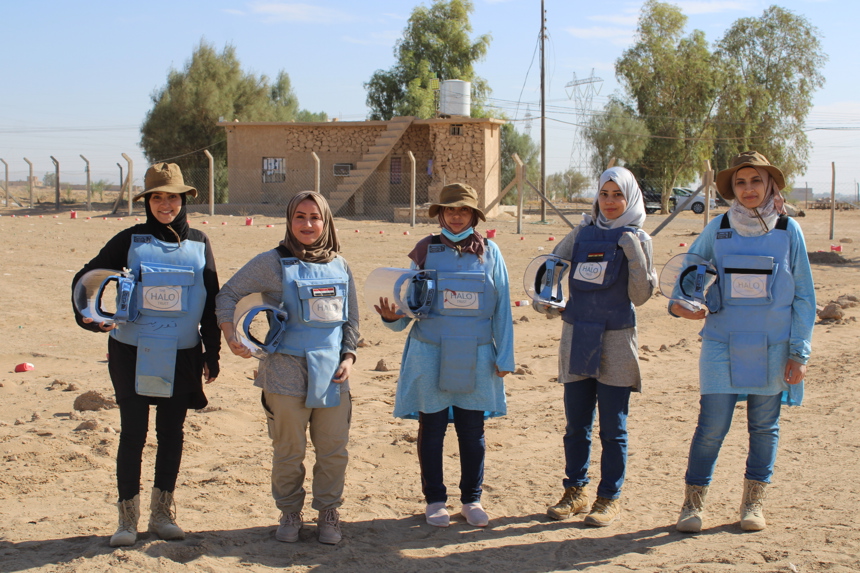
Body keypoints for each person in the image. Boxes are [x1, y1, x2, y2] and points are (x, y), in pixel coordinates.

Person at [71, 162, 221, 547]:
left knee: (171, 433)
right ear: (147, 201)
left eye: (173, 197)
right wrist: (92, 319)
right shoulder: (130, 239)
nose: (165, 204)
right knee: (133, 434)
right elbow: (86, 279)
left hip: (182, 354)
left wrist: (212, 353)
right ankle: (127, 519)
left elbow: (210, 304)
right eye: (158, 197)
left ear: (184, 200)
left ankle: (162, 514)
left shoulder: (201, 244)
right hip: (131, 352)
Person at [670, 151, 815, 533]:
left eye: (755, 181)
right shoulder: (718, 228)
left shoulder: (788, 231)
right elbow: (689, 272)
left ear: (770, 185)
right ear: (731, 188)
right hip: (721, 343)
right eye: (740, 182)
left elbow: (804, 297)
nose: (748, 189)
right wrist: (683, 304)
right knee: (711, 427)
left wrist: (799, 352)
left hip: (773, 345)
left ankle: (753, 505)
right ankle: (692, 506)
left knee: (764, 428)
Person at [215, 191, 357, 545]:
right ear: (289, 221)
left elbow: (351, 320)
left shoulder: (340, 265)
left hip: (331, 374)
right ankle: (290, 512)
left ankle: (328, 512)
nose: (308, 225)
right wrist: (233, 334)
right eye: (300, 217)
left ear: (326, 222)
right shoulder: (272, 262)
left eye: (315, 217)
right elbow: (227, 294)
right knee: (288, 450)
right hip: (284, 373)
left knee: (333, 450)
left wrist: (349, 356)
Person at [374, 182, 515, 528]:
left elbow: (502, 309)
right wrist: (391, 319)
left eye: (463, 210)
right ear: (440, 213)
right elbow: (408, 300)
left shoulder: (491, 252)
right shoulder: (424, 249)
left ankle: (472, 499)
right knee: (432, 426)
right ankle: (435, 499)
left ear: (474, 216)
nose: (455, 216)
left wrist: (505, 357)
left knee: (472, 429)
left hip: (478, 353)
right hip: (429, 352)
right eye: (449, 210)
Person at [535, 166, 656, 527]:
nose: (610, 202)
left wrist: (633, 252)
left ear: (630, 197)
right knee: (576, 425)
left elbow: (641, 294)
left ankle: (609, 498)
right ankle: (575, 491)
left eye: (618, 194)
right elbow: (552, 269)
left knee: (613, 427)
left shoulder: (639, 238)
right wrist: (547, 299)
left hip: (617, 339)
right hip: (577, 337)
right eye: (604, 194)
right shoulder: (582, 234)